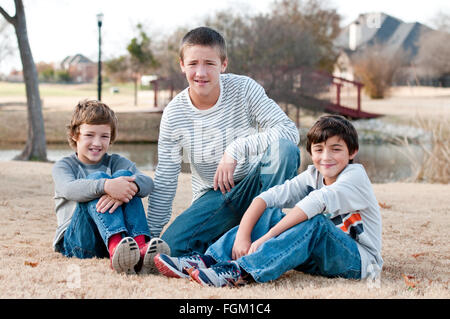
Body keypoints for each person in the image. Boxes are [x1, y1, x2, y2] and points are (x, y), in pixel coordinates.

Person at [154, 115, 383, 287]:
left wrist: (266, 237)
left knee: (315, 223)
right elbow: (266, 197)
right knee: (271, 214)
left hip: (360, 261)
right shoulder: (313, 175)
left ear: (352, 152)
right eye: (319, 149)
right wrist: (244, 235)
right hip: (318, 256)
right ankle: (207, 260)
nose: (326, 157)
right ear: (311, 152)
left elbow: (314, 204)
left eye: (336, 149)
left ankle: (240, 271)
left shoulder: (355, 177)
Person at [147, 26, 300, 256]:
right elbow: (166, 177)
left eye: (209, 63)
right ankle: (239, 237)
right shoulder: (174, 114)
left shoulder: (244, 89)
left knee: (285, 151)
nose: (201, 72)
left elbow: (289, 131)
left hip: (257, 185)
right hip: (216, 196)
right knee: (171, 247)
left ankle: (257, 245)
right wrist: (151, 235)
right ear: (182, 65)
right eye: (193, 64)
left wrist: (236, 149)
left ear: (223, 64)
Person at [52, 100, 169, 275]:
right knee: (99, 178)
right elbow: (69, 189)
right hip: (77, 241)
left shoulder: (116, 162)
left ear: (111, 138)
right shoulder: (64, 166)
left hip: (118, 244)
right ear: (76, 135)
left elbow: (147, 182)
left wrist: (127, 187)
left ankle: (139, 246)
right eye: (89, 135)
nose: (97, 143)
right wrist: (106, 186)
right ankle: (115, 246)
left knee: (128, 180)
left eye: (104, 136)